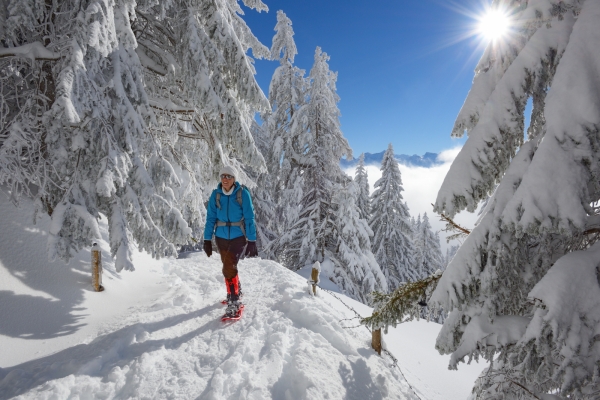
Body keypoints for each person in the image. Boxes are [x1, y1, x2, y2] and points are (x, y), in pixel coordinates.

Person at [203, 165, 258, 319]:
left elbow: (249, 218)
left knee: (228, 266)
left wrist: (252, 240)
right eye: (223, 176)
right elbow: (211, 218)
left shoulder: (242, 194)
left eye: (228, 176)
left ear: (234, 179)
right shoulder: (216, 195)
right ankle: (236, 290)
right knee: (229, 266)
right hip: (220, 237)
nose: (225, 179)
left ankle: (234, 301)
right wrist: (207, 239)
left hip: (238, 236)